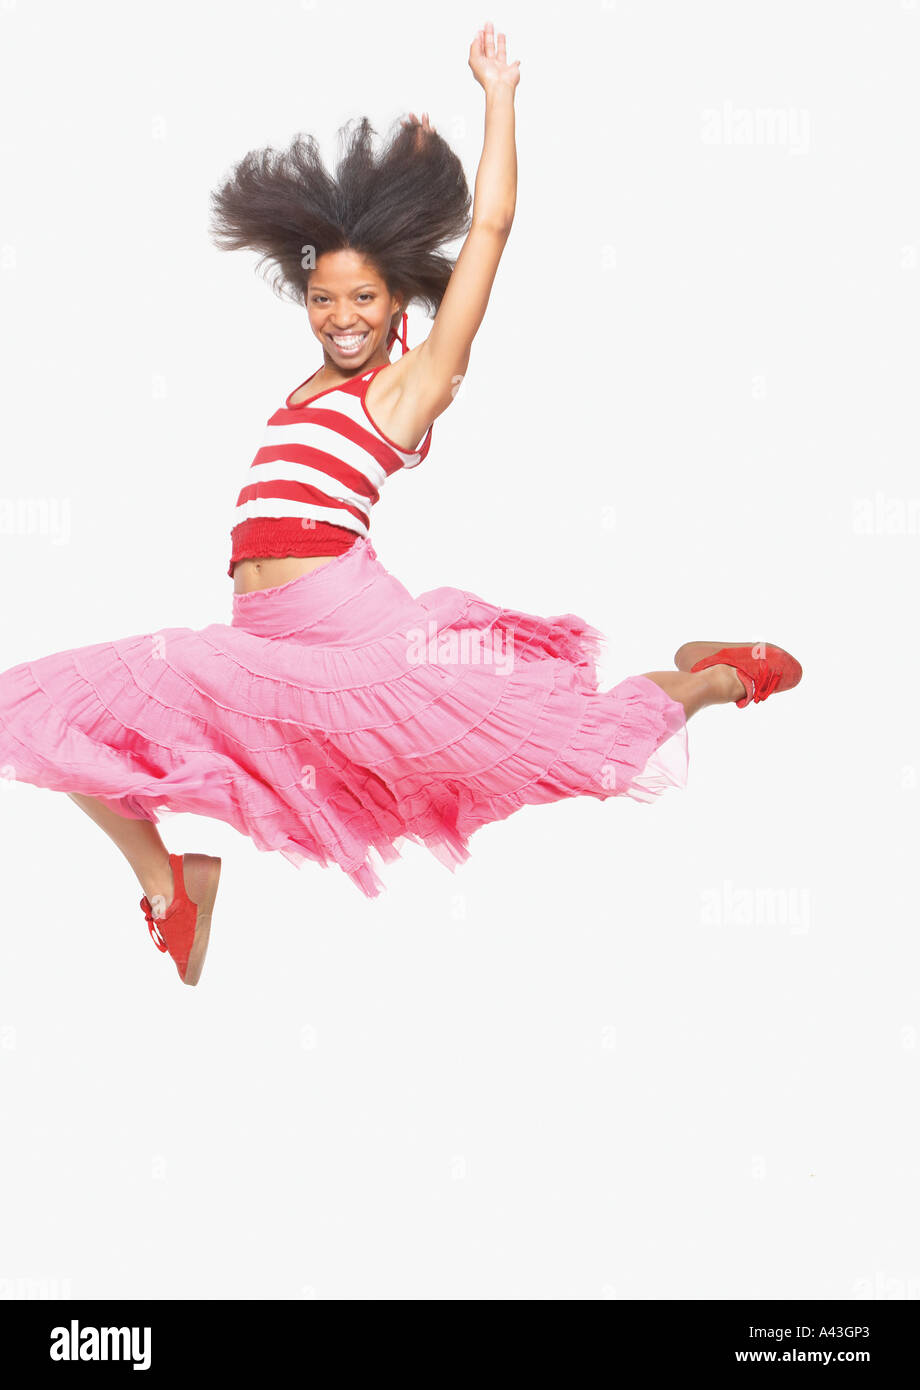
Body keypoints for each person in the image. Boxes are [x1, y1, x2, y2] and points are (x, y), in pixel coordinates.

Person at [0, 23, 802, 986]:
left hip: (361, 645)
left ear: (400, 309)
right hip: (267, 638)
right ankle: (175, 882)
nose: (342, 318)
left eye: (364, 300)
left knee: (573, 754)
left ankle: (714, 678)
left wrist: (498, 98)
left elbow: (492, 231)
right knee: (60, 707)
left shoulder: (410, 388)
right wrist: (412, 175)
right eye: (325, 299)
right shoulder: (315, 383)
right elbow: (362, 263)